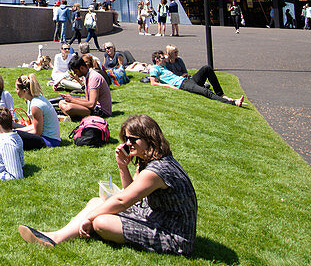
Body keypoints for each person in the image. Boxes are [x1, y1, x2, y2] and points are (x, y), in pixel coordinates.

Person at [17, 114, 197, 256]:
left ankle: (73, 231)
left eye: (133, 139)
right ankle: (56, 237)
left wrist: (90, 218)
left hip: (174, 235)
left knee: (101, 221)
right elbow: (131, 193)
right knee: (97, 202)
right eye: (126, 139)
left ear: (149, 139)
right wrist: (122, 166)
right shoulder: (148, 161)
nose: (128, 144)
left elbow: (122, 200)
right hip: (155, 216)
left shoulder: (157, 170)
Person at [149, 51, 245, 106]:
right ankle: (233, 102)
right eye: (162, 58)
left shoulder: (163, 66)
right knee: (206, 92)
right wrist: (170, 86)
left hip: (187, 80)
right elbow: (153, 83)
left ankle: (221, 94)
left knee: (206, 68)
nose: (165, 59)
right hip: (182, 84)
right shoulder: (155, 68)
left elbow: (168, 56)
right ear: (157, 60)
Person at [57, 54, 112, 120]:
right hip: (92, 108)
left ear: (82, 68)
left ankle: (72, 117)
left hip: (101, 111)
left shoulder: (94, 77)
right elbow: (87, 100)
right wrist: (70, 98)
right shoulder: (87, 76)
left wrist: (72, 100)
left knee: (69, 107)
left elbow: (91, 104)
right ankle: (73, 116)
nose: (75, 74)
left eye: (76, 71)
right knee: (62, 102)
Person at [14, 74, 62, 149]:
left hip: (49, 140)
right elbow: (34, 125)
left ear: (24, 91)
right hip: (42, 135)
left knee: (13, 136)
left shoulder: (36, 106)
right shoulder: (32, 100)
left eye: (17, 89)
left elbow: (37, 132)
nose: (15, 91)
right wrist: (17, 130)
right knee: (12, 127)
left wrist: (18, 133)